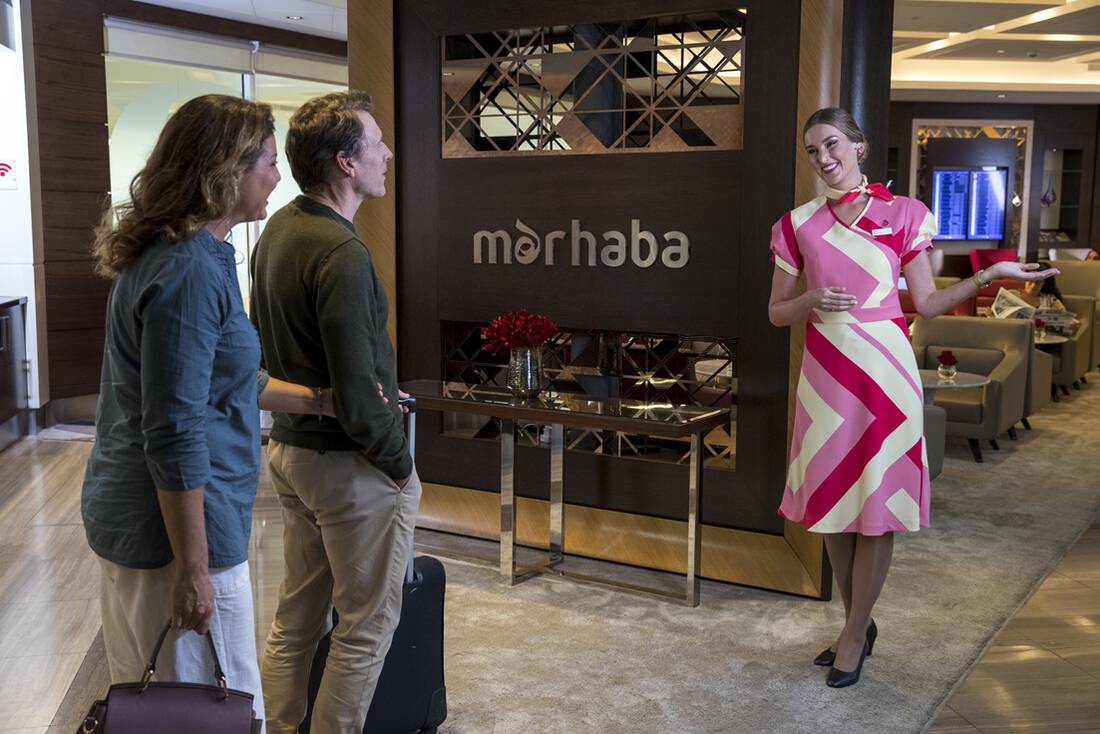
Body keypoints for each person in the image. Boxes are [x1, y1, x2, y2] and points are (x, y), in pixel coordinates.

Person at [767, 107, 1057, 688]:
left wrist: (990, 274)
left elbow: (925, 304)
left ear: (859, 146)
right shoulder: (796, 224)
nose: (823, 158)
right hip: (826, 377)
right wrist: (811, 299)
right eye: (813, 151)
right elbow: (777, 312)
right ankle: (859, 622)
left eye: (831, 144)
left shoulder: (905, 213)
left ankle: (854, 633)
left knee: (875, 509)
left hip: (886, 373)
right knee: (832, 506)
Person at [82, 95, 339, 725]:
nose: (277, 177)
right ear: (226, 171)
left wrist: (323, 403)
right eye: (269, 163)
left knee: (165, 710)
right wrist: (193, 570)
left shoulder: (195, 256)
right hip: (171, 537)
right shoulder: (188, 271)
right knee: (210, 711)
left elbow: (231, 380)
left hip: (155, 523)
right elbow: (175, 429)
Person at [250, 91, 421, 734]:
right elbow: (357, 392)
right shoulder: (341, 253)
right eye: (376, 143)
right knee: (365, 627)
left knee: (297, 619)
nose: (388, 153)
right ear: (346, 163)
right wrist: (400, 465)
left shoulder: (279, 230)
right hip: (349, 466)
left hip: (290, 454)